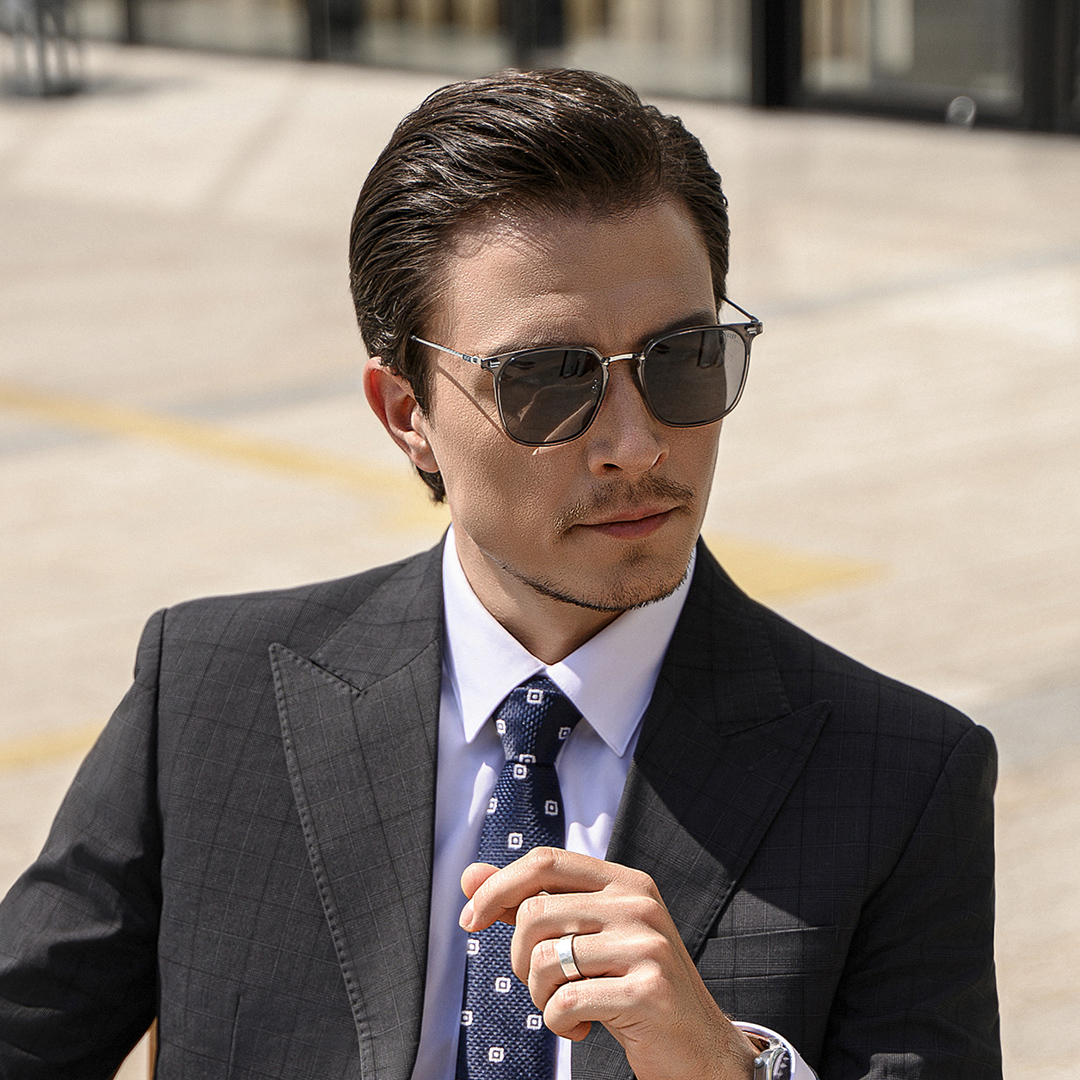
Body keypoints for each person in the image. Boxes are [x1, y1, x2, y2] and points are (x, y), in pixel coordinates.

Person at [0, 69, 999, 1080]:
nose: (636, 446)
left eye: (684, 358)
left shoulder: (901, 779)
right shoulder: (210, 697)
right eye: (548, 380)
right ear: (408, 416)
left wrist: (726, 1071)